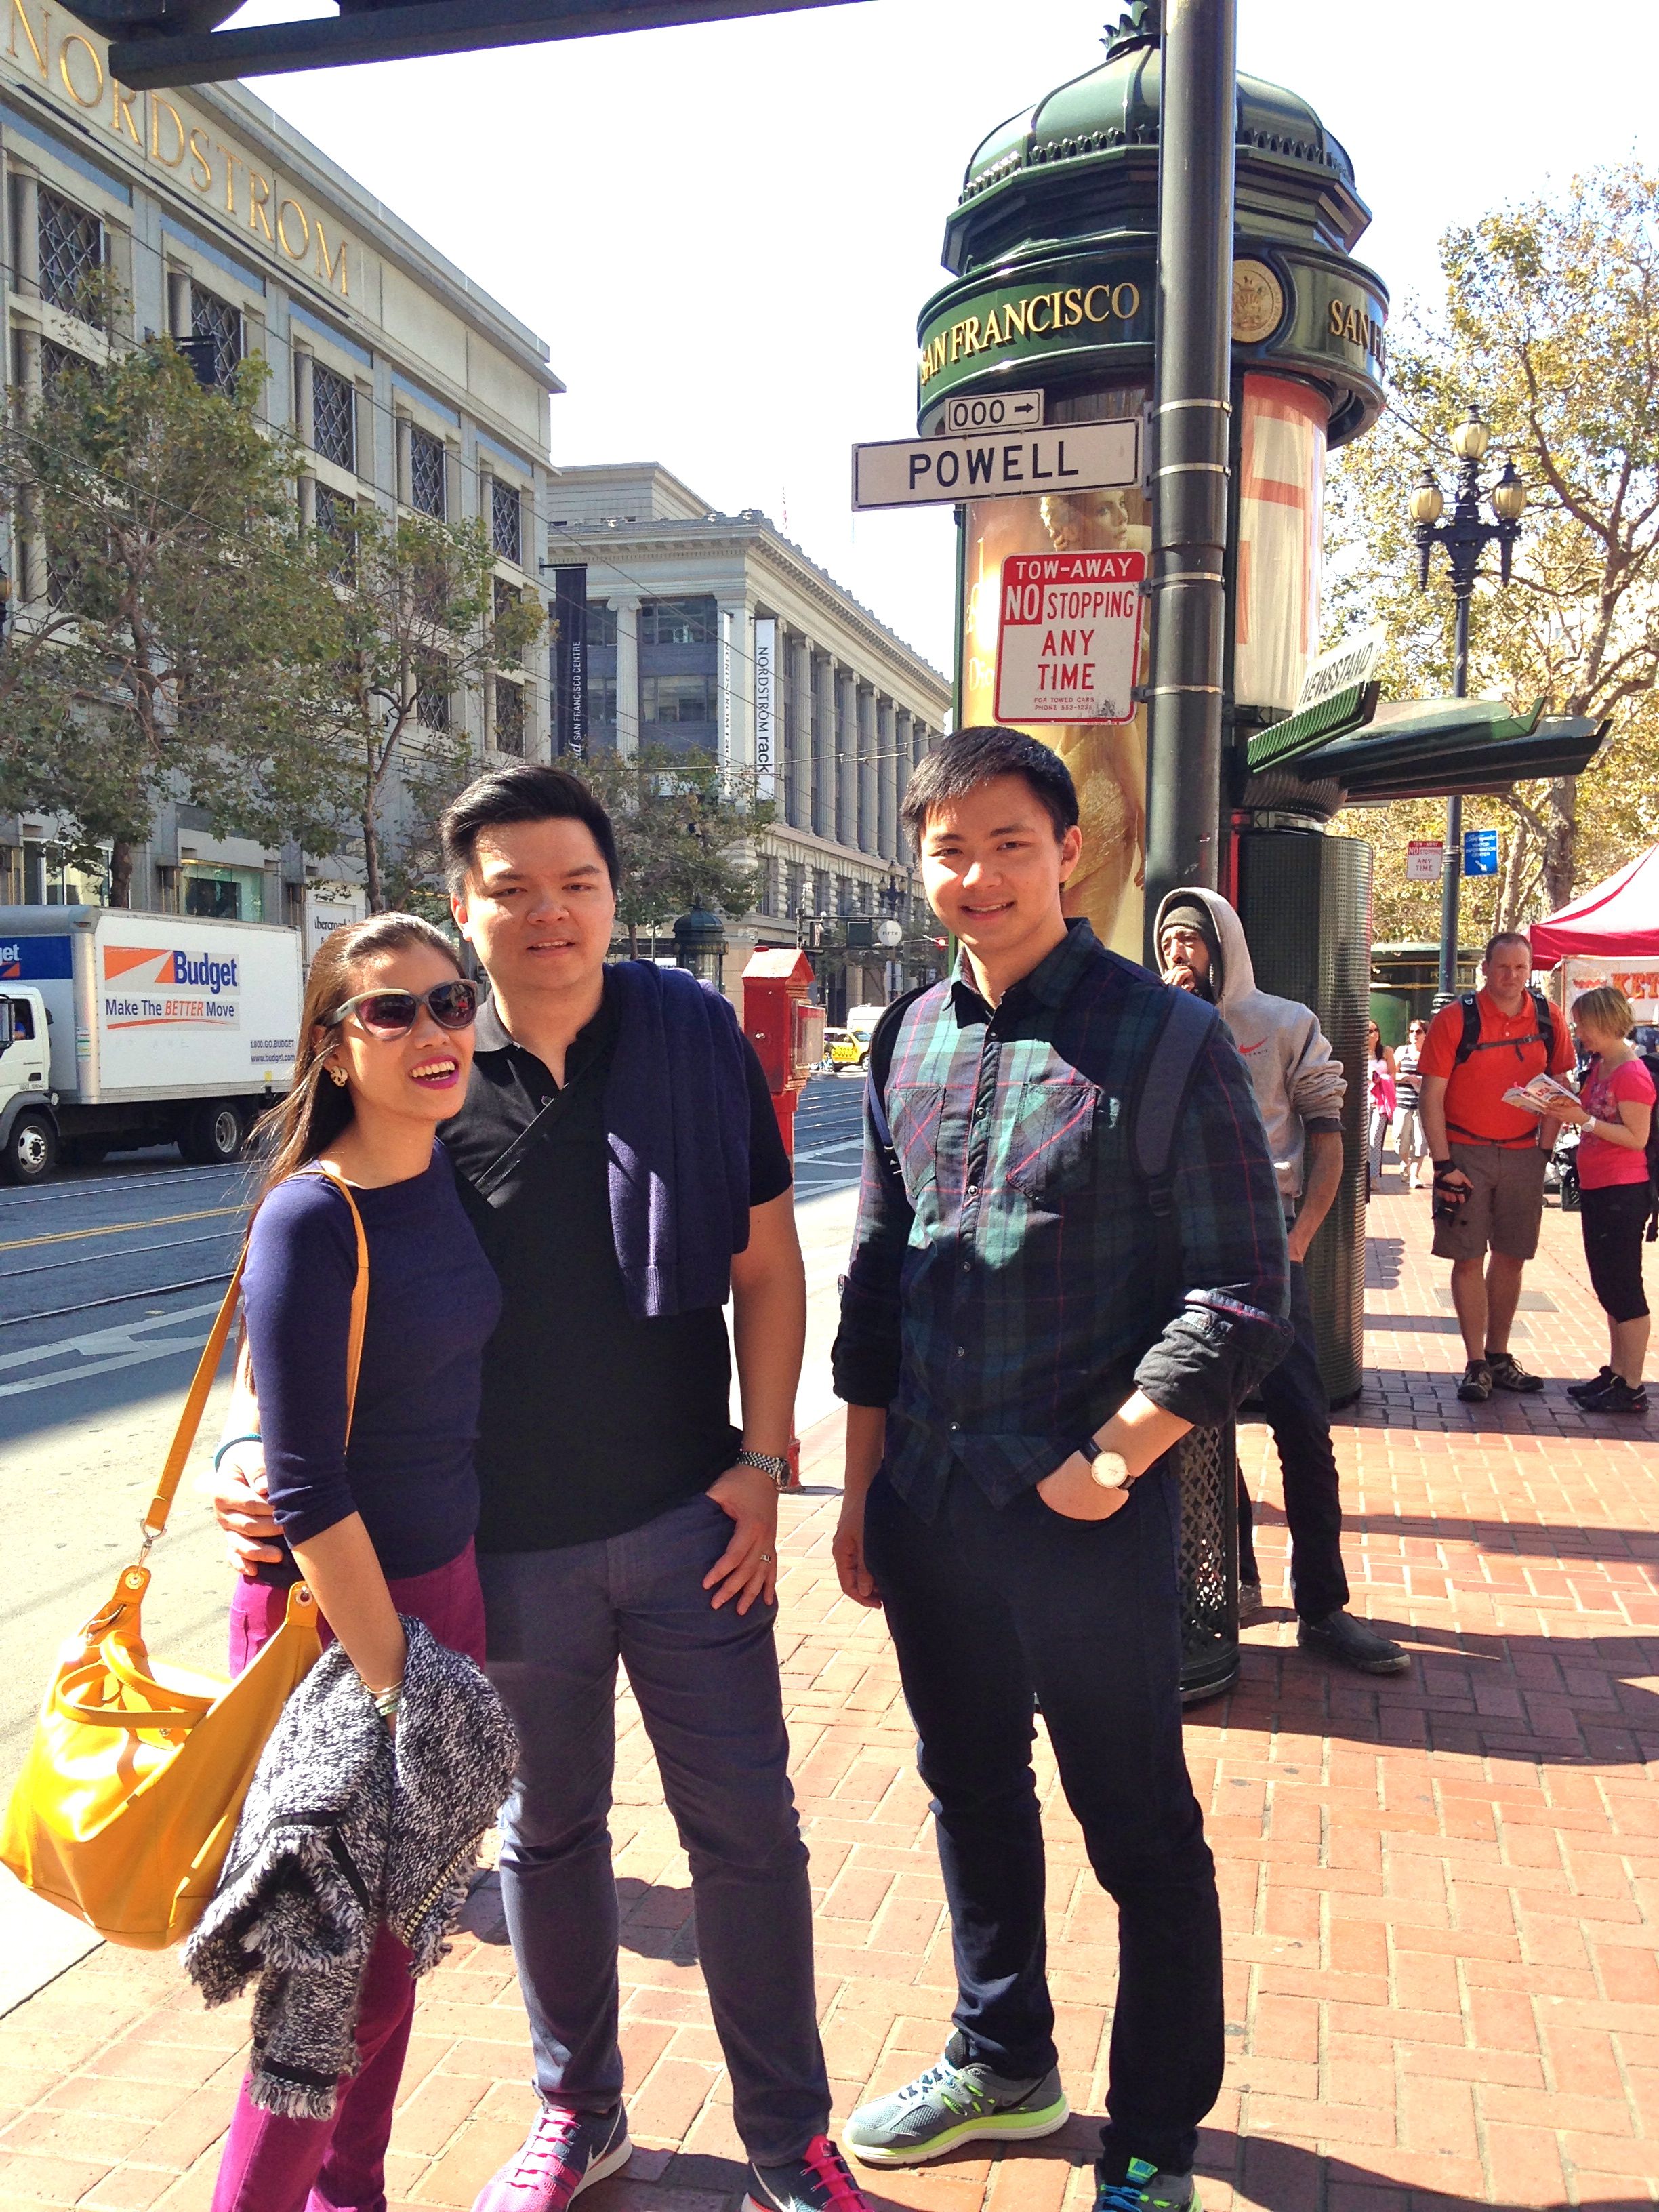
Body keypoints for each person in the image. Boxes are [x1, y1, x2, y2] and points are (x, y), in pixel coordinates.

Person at [213, 766, 869, 2212]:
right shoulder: (426, 1069)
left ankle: (789, 2137)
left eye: (576, 883)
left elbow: (767, 1264)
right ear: (464, 906)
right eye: (510, 890)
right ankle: (581, 2114)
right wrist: (250, 1456)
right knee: (547, 1837)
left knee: (747, 1832)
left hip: (694, 1522)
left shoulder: (691, 1032)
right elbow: (310, 1285)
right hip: (498, 1552)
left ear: (613, 894)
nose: (548, 915)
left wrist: (766, 1463)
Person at [832, 729, 1292, 2212]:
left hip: (1083, 1510)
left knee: (1136, 1825)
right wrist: (862, 1484)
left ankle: (1152, 2135)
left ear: (1067, 853)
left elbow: (1242, 1292)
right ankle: (1001, 2056)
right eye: (950, 851)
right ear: (921, 865)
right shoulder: (905, 1035)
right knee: (970, 1786)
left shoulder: (1164, 1038)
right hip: (930, 1501)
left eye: (1008, 845)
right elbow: (877, 1275)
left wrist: (1113, 1459)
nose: (979, 876)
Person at [208, 913, 504, 2212]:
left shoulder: (451, 1165)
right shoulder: (309, 1217)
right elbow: (310, 1483)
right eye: (394, 1010)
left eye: (452, 1000)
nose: (434, 1030)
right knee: (330, 1994)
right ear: (334, 1045)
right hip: (340, 1624)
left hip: (444, 1597)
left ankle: (353, 2193)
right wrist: (402, 1686)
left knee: (395, 1952)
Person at [1156, 891, 1408, 1675]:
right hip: (1180, 1247)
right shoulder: (1154, 1024)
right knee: (1187, 1412)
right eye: (1167, 944)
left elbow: (1330, 1142)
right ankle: (1232, 1573)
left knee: (1303, 1423)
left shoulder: (1286, 1023)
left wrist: (1296, 1243)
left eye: (1190, 941)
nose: (1177, 956)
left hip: (1270, 1243)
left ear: (1223, 944)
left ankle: (1322, 1607)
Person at [1417, 931, 1576, 1404]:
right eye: (1502, 967)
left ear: (1530, 970)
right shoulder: (1455, 1019)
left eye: (1520, 968)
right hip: (1465, 1153)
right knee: (1468, 1257)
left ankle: (1499, 1356)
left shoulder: (1549, 1017)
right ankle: (1475, 1364)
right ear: (1484, 968)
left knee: (1512, 1255)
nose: (1511, 977)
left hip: (1525, 1153)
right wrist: (1443, 1163)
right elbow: (1432, 1096)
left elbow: (1560, 1085)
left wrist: (1543, 1152)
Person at [1551, 985, 1654, 1414]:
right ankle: (1617, 1372)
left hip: (1622, 1190)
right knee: (1608, 1283)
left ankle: (1632, 1385)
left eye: (1582, 1025)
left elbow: (1637, 1137)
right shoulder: (1601, 1065)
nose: (1579, 1033)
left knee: (1624, 1285)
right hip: (1597, 1186)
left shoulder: (1631, 1072)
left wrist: (1585, 1121)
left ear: (1605, 1022)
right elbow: (1589, 1110)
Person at [1393, 1019, 1430, 1190]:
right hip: (1402, 1104)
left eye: (1419, 1032)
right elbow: (1392, 1075)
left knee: (1420, 1142)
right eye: (1412, 1031)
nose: (1415, 1035)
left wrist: (1424, 1081)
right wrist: (1407, 1078)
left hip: (1422, 1106)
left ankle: (1415, 1176)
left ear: (1426, 1034)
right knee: (1401, 1142)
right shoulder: (1402, 1051)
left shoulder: (1430, 1053)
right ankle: (1405, 1162)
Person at [1365, 1019, 1397, 1188]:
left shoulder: (1386, 1052)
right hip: (1364, 1101)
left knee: (1375, 1138)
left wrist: (1382, 1080)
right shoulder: (1360, 1052)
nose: (1374, 1034)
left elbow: (1393, 1075)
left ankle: (1373, 1178)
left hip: (1381, 1102)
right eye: (1370, 1031)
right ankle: (1362, 1177)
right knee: (1363, 1140)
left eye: (1376, 1030)